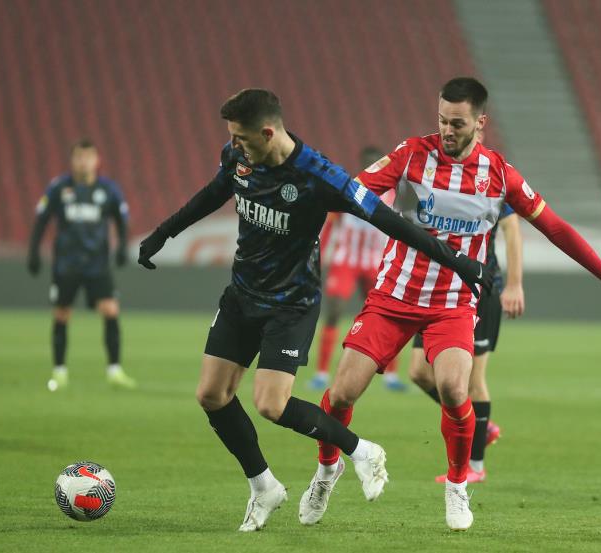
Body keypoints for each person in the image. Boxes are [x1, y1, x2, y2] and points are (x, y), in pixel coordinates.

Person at [299, 77, 601, 531]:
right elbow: (353, 191)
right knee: (343, 393)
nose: (447, 130)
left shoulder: (500, 175)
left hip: (453, 303)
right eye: (442, 120)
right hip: (394, 296)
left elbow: (556, 228)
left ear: (480, 123)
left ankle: (457, 486)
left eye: (457, 123)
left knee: (453, 388)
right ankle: (327, 472)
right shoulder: (411, 155)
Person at [137, 88, 491, 532]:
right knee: (211, 395)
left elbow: (390, 222)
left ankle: (360, 451)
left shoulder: (320, 176)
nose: (234, 145)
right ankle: (264, 486)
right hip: (242, 295)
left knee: (271, 405)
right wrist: (163, 233)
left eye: (242, 137)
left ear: (268, 133)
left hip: (291, 304)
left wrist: (456, 260)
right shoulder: (238, 157)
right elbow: (213, 193)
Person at [409, 203, 523, 484]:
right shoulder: (435, 183)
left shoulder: (492, 185)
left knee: (472, 380)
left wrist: (514, 284)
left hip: (478, 290)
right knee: (420, 372)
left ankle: (476, 465)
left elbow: (512, 226)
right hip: (436, 291)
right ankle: (479, 424)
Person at [27, 138, 136, 391]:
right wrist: (33, 252)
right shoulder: (59, 188)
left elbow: (121, 220)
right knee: (62, 314)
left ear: (97, 161)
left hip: (97, 264)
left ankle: (114, 370)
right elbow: (42, 219)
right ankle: (59, 372)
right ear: (72, 160)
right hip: (67, 264)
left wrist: (122, 247)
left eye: (88, 157)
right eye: (78, 157)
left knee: (110, 310)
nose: (83, 162)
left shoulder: (108, 189)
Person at [311, 146, 406, 392]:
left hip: (376, 262)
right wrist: (319, 256)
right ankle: (321, 373)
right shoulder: (348, 189)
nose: (372, 167)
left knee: (387, 317)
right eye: (368, 163)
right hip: (347, 260)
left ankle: (391, 376)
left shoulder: (393, 195)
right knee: (334, 311)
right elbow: (330, 225)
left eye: (376, 163)